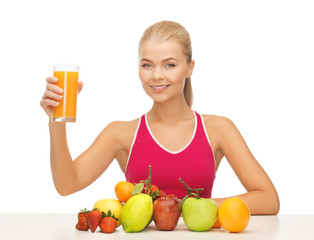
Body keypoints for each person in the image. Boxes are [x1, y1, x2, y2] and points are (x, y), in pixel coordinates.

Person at [40, 20, 279, 215]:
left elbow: (268, 200)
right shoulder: (120, 133)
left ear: (189, 67)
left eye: (169, 65)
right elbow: (66, 185)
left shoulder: (218, 129)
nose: (156, 75)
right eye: (147, 65)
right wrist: (55, 122)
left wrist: (192, 207)